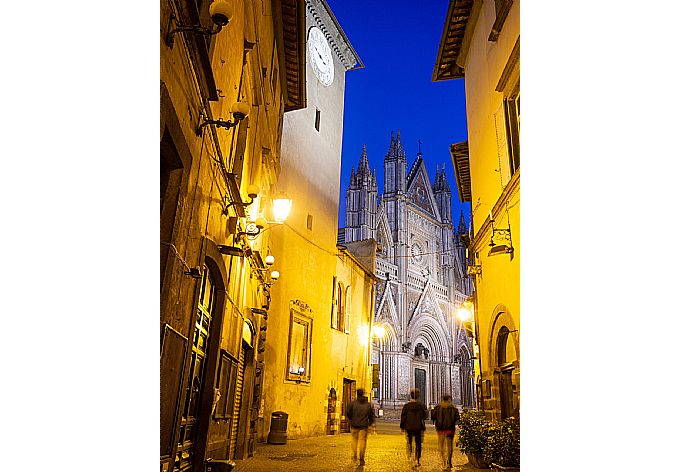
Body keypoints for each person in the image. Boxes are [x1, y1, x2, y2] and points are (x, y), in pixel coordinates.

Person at [346, 388, 376, 466]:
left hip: (354, 425)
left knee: (354, 440)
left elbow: (348, 413)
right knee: (362, 441)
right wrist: (371, 424)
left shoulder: (353, 403)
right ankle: (361, 458)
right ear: (363, 394)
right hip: (363, 426)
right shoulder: (367, 405)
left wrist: (351, 420)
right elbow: (371, 415)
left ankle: (355, 455)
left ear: (357, 394)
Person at [431, 395, 460, 470]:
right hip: (450, 428)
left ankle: (443, 461)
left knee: (441, 445)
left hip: (440, 429)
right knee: (449, 445)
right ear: (449, 400)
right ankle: (449, 462)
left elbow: (433, 417)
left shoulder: (437, 408)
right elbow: (457, 418)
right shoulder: (454, 409)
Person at [400, 389, 428, 467]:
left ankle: (410, 457)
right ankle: (417, 459)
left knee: (409, 442)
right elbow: (425, 416)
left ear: (410, 396)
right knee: (418, 444)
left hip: (409, 427)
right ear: (418, 396)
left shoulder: (406, 406)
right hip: (419, 427)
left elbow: (403, 416)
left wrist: (402, 426)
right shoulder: (422, 406)